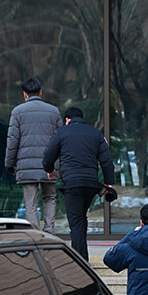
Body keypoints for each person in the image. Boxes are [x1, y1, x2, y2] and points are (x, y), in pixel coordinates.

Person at [43, 107, 114, 261]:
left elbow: (48, 155)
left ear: (67, 119)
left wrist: (49, 170)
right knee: (81, 218)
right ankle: (83, 257)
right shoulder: (95, 133)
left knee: (75, 222)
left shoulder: (62, 132)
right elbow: (106, 160)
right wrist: (109, 183)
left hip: (71, 183)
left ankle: (80, 261)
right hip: (91, 183)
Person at [5, 77, 62, 234]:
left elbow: (12, 141)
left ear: (25, 94)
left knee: (30, 202)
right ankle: (49, 232)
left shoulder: (17, 112)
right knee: (49, 198)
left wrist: (9, 164)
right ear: (41, 92)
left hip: (27, 165)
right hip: (49, 166)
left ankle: (36, 235)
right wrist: (58, 164)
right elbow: (60, 140)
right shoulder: (54, 111)